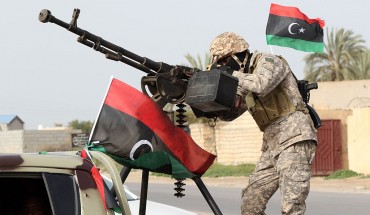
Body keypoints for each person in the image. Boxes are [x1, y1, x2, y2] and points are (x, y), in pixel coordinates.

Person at [209, 32, 317, 215]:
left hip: (294, 138)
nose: (223, 66)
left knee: (292, 205)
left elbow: (261, 84)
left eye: (225, 61)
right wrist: (209, 104)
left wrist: (230, 74)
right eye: (221, 63)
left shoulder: (269, 61)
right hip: (272, 144)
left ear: (238, 54)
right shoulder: (244, 79)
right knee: (252, 200)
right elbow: (232, 113)